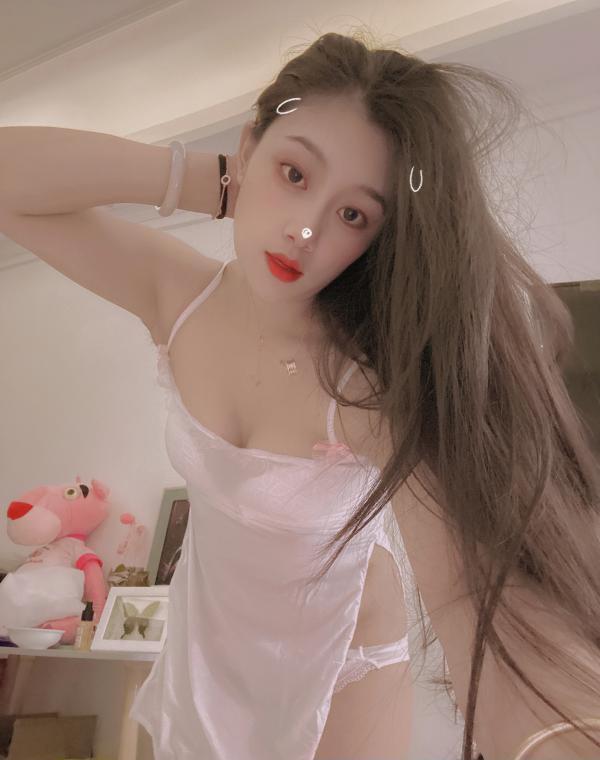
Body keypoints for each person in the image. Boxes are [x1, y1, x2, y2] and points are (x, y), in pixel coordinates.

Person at [1, 25, 599, 760]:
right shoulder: (180, 297)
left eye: (353, 214)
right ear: (249, 145)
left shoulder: (366, 382)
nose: (307, 231)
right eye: (295, 173)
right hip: (205, 654)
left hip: (338, 668)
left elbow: (472, 591)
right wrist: (224, 182)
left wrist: (559, 732)